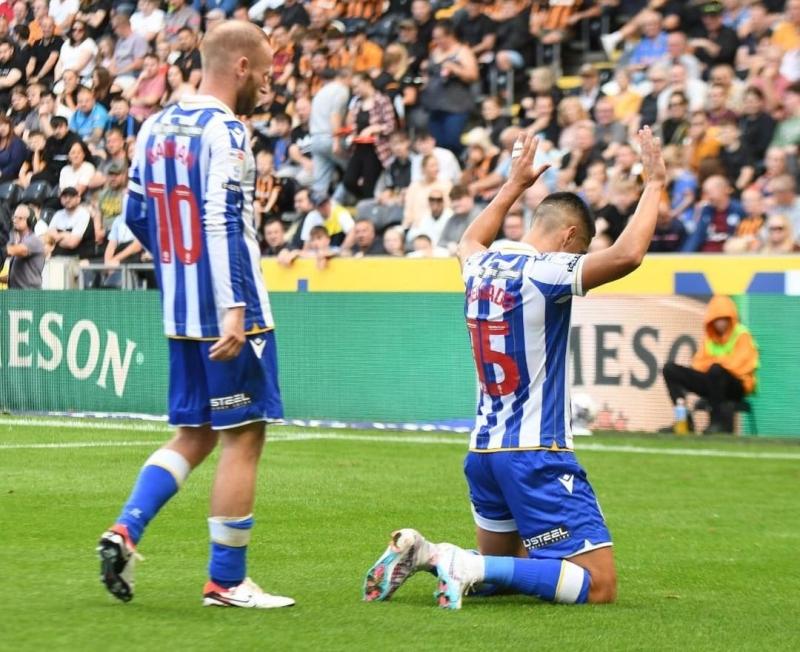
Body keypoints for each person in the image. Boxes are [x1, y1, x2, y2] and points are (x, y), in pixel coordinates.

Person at [363, 127, 668, 609]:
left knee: (518, 570)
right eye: (580, 248)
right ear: (569, 236)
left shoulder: (479, 263)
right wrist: (653, 184)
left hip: (483, 453)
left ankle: (429, 554)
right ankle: (464, 564)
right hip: (536, 453)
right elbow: (628, 255)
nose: (579, 259)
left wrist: (513, 184)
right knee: (599, 585)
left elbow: (468, 237)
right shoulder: (548, 271)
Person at [97, 20, 294, 610]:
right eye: (263, 72)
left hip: (180, 311)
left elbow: (133, 215)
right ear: (239, 67)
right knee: (244, 438)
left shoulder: (155, 123)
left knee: (195, 434)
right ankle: (227, 581)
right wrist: (232, 307)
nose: (266, 82)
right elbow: (222, 220)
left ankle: (125, 528)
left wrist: (178, 270)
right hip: (232, 313)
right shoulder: (227, 131)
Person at [662, 296, 758, 434]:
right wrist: (718, 363)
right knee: (670, 370)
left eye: (724, 318)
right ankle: (683, 421)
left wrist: (716, 363)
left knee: (716, 370)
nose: (720, 323)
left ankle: (718, 423)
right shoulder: (710, 338)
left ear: (731, 318)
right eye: (716, 319)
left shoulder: (742, 335)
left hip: (736, 387)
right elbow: (698, 364)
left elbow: (741, 365)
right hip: (713, 381)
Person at [1, 203, 45, 288]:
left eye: (20, 218)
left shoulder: (34, 240)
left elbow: (11, 251)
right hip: (18, 295)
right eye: (15, 217)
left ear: (30, 221)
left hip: (30, 296)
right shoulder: (17, 241)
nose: (15, 220)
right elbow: (14, 278)